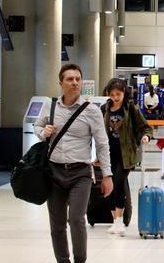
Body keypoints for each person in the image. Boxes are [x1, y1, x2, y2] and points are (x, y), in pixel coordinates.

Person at [34, 64, 114, 263]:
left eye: (78, 79)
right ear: (60, 83)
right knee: (57, 224)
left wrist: (107, 175)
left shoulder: (91, 111)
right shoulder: (51, 107)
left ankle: (80, 260)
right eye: (69, 79)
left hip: (81, 174)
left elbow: (102, 144)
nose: (75, 83)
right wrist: (43, 133)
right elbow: (37, 125)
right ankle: (63, 261)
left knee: (77, 219)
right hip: (54, 173)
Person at [100, 78, 153, 236]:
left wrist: (146, 137)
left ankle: (120, 221)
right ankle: (114, 220)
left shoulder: (130, 109)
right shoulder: (104, 109)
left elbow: (146, 127)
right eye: (112, 94)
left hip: (126, 153)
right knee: (109, 185)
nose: (115, 97)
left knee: (119, 181)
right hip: (108, 153)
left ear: (124, 93)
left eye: (119, 94)